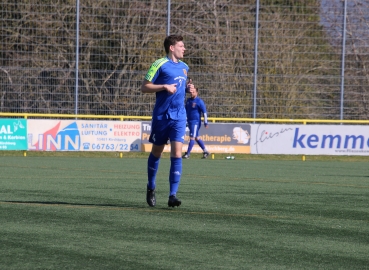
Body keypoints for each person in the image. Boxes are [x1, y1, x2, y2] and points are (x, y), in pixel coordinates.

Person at [141, 35, 194, 208]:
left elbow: (181, 86)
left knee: (177, 153)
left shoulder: (185, 67)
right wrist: (164, 86)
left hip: (179, 117)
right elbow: (145, 86)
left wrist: (190, 89)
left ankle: (173, 195)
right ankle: (151, 187)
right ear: (172, 48)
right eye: (181, 46)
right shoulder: (159, 64)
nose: (184, 49)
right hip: (162, 116)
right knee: (157, 152)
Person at [183, 87, 210, 159]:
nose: (192, 93)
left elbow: (204, 112)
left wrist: (206, 122)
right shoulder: (188, 101)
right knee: (197, 138)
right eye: (191, 92)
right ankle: (206, 151)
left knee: (192, 137)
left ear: (197, 92)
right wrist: (185, 120)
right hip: (189, 121)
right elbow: (185, 111)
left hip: (195, 122)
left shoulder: (199, 101)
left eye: (193, 92)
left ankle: (187, 154)